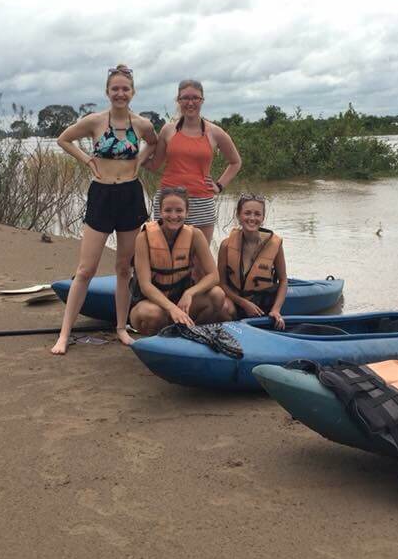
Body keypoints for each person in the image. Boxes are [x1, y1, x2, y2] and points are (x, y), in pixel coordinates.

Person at [50, 65, 158, 353]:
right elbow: (64, 139)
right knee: (86, 269)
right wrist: (87, 160)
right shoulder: (95, 121)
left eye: (125, 89)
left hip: (130, 195)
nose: (120, 93)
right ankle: (64, 333)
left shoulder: (142, 124)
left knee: (124, 268)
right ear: (107, 92)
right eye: (115, 89)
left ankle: (121, 328)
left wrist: (139, 162)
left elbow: (154, 143)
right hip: (101, 194)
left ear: (133, 92)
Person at [145, 79, 241, 245]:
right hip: (168, 201)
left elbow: (236, 162)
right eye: (185, 98)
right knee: (164, 255)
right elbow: (154, 165)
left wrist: (219, 185)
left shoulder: (215, 132)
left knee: (199, 259)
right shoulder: (168, 130)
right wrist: (131, 157)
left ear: (202, 100)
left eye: (195, 98)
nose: (190, 103)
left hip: (201, 201)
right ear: (178, 100)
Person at [129, 186, 228, 336]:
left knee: (217, 295)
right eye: (168, 210)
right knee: (152, 314)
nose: (173, 216)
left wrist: (190, 293)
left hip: (181, 302)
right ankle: (158, 342)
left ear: (187, 212)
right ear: (160, 212)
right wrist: (171, 308)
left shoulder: (195, 235)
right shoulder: (143, 238)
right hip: (151, 305)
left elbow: (213, 276)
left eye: (179, 211)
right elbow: (145, 286)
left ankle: (191, 333)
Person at [219, 194, 287, 330]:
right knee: (224, 307)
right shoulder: (226, 245)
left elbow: (283, 280)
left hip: (262, 304)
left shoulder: (275, 245)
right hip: (236, 301)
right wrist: (243, 303)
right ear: (238, 215)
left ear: (263, 218)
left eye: (257, 214)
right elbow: (222, 283)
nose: (252, 218)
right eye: (247, 213)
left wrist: (276, 310)